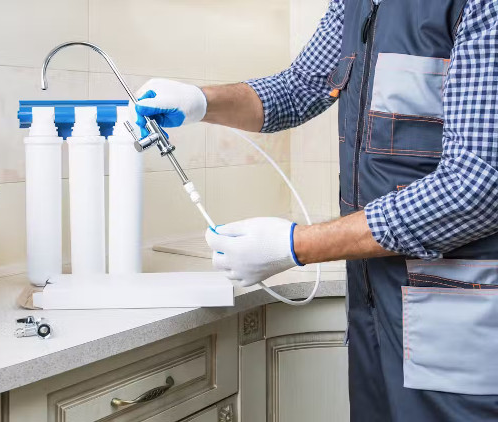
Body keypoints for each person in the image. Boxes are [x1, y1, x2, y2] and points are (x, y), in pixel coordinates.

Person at [133, 1, 498, 420]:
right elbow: (297, 88)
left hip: (461, 333)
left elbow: (479, 185)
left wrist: (295, 245)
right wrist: (199, 100)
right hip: (374, 314)